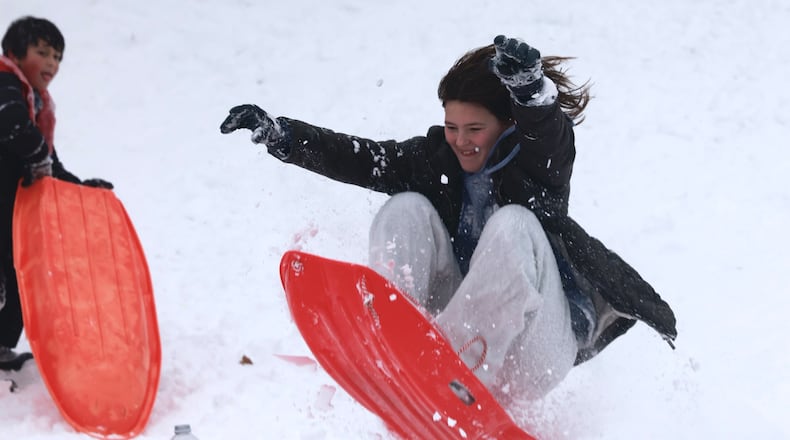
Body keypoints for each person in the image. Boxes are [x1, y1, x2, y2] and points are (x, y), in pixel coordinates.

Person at [220, 35, 677, 402]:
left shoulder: (537, 168)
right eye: (453, 127)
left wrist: (532, 95)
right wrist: (282, 135)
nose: (461, 141)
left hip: (538, 349)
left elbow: (549, 137)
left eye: (475, 128)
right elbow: (362, 159)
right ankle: (393, 346)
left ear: (507, 125)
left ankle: (450, 382)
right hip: (451, 336)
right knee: (406, 209)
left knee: (515, 226)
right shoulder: (434, 160)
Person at [0, 16, 113, 370]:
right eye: (43, 52)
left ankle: (1, 348)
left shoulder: (34, 102)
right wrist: (38, 158)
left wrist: (81, 188)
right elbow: (13, 127)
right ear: (15, 54)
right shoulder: (4, 84)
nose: (51, 63)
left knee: (19, 277)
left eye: (58, 57)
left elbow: (48, 162)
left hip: (13, 214)